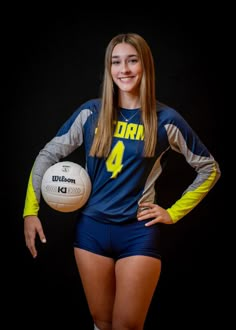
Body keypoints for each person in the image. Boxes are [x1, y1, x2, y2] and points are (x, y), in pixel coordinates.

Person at [23, 32, 221, 330]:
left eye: (132, 60)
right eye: (116, 62)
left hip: (137, 233)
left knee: (127, 325)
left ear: (145, 66)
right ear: (108, 68)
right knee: (102, 323)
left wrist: (174, 212)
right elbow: (48, 154)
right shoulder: (91, 113)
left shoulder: (165, 120)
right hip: (91, 231)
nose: (124, 69)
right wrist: (30, 210)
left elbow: (210, 168)